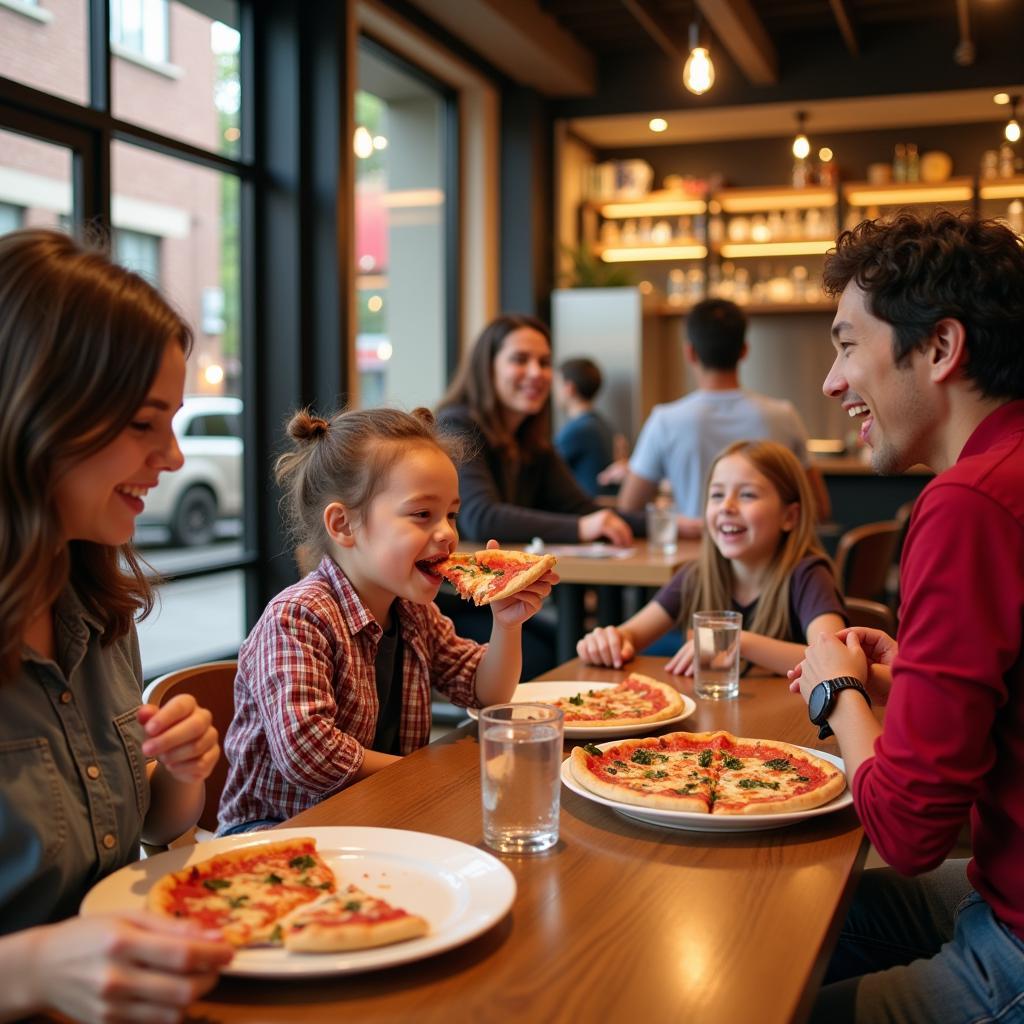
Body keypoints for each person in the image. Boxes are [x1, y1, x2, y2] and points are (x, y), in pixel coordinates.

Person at [788, 210, 1024, 1023]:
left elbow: (907, 834)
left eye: (848, 344)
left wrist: (836, 693)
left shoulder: (969, 501)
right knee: (799, 919)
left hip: (1017, 939)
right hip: (1003, 881)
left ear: (939, 348)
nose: (830, 380)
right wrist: (904, 679)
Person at [0, 229, 233, 1022]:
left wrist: (182, 776)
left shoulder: (94, 606)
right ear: (34, 413)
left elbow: (137, 831)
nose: (170, 458)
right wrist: (28, 970)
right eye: (145, 423)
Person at [218, 406, 557, 834]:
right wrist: (421, 775)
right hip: (278, 831)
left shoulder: (414, 612)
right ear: (344, 525)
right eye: (422, 515)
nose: (448, 534)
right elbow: (307, 752)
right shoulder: (298, 617)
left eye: (451, 514)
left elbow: (485, 693)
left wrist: (506, 624)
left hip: (378, 817)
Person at [436, 314, 639, 677]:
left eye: (545, 363)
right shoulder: (457, 425)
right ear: (488, 367)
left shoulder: (532, 443)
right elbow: (480, 516)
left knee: (573, 645)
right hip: (452, 602)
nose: (536, 372)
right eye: (520, 359)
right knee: (552, 655)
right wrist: (582, 528)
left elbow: (585, 510)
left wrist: (676, 524)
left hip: (500, 602)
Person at [578, 439, 846, 676]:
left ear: (789, 517)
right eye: (717, 495)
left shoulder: (808, 575)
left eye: (747, 495)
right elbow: (631, 635)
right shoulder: (696, 575)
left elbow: (834, 658)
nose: (727, 507)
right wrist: (608, 640)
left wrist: (736, 641)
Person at [618, 298, 829, 533]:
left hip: (694, 560)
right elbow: (818, 508)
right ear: (744, 350)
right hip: (769, 562)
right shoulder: (783, 415)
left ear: (690, 353)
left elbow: (628, 508)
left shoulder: (665, 420)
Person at [553, 356, 617, 497]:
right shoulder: (601, 424)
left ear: (569, 388)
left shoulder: (578, 431)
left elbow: (544, 469)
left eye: (557, 385)